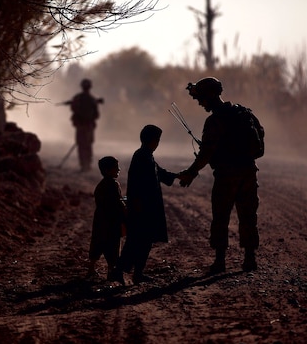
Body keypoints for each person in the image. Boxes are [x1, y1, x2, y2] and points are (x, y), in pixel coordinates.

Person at [177, 77, 264, 274]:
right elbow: (260, 144)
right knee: (248, 216)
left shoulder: (215, 120)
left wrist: (191, 173)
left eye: (201, 98)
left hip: (226, 175)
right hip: (249, 172)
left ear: (209, 96)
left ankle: (220, 262)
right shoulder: (244, 113)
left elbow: (206, 153)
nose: (199, 102)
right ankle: (250, 259)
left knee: (221, 216)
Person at [109, 125, 178, 285]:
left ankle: (136, 273)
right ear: (153, 141)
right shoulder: (141, 157)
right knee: (136, 241)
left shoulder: (146, 156)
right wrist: (137, 205)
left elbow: (159, 173)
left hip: (147, 207)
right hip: (141, 207)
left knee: (144, 241)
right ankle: (119, 271)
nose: (158, 143)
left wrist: (178, 176)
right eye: (158, 140)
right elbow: (137, 184)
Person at [87, 156, 127, 280]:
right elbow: (117, 204)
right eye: (116, 168)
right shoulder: (114, 185)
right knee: (112, 247)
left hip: (100, 220)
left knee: (97, 245)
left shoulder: (101, 185)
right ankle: (111, 272)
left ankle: (91, 269)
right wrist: (125, 212)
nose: (119, 169)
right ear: (108, 170)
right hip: (111, 222)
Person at [63, 78, 102, 172]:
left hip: (81, 126)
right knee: (88, 145)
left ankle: (83, 165)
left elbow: (73, 109)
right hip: (89, 126)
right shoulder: (92, 99)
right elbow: (97, 115)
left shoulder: (78, 98)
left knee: (81, 145)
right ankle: (87, 165)